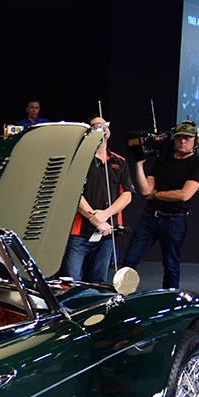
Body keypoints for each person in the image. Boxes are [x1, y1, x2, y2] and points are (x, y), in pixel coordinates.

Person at [121, 121, 199, 289]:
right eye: (179, 138)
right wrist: (139, 164)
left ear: (195, 141)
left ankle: (170, 300)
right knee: (130, 259)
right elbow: (146, 190)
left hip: (175, 220)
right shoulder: (163, 160)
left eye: (187, 138)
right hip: (149, 218)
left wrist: (156, 195)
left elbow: (184, 194)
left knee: (170, 265)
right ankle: (122, 295)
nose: (183, 141)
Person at [59, 116, 133, 284]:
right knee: (71, 281)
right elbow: (72, 192)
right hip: (78, 234)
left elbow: (127, 194)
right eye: (96, 125)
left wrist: (106, 215)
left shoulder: (119, 162)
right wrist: (95, 219)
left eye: (105, 124)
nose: (102, 127)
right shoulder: (78, 160)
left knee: (96, 282)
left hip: (107, 234)